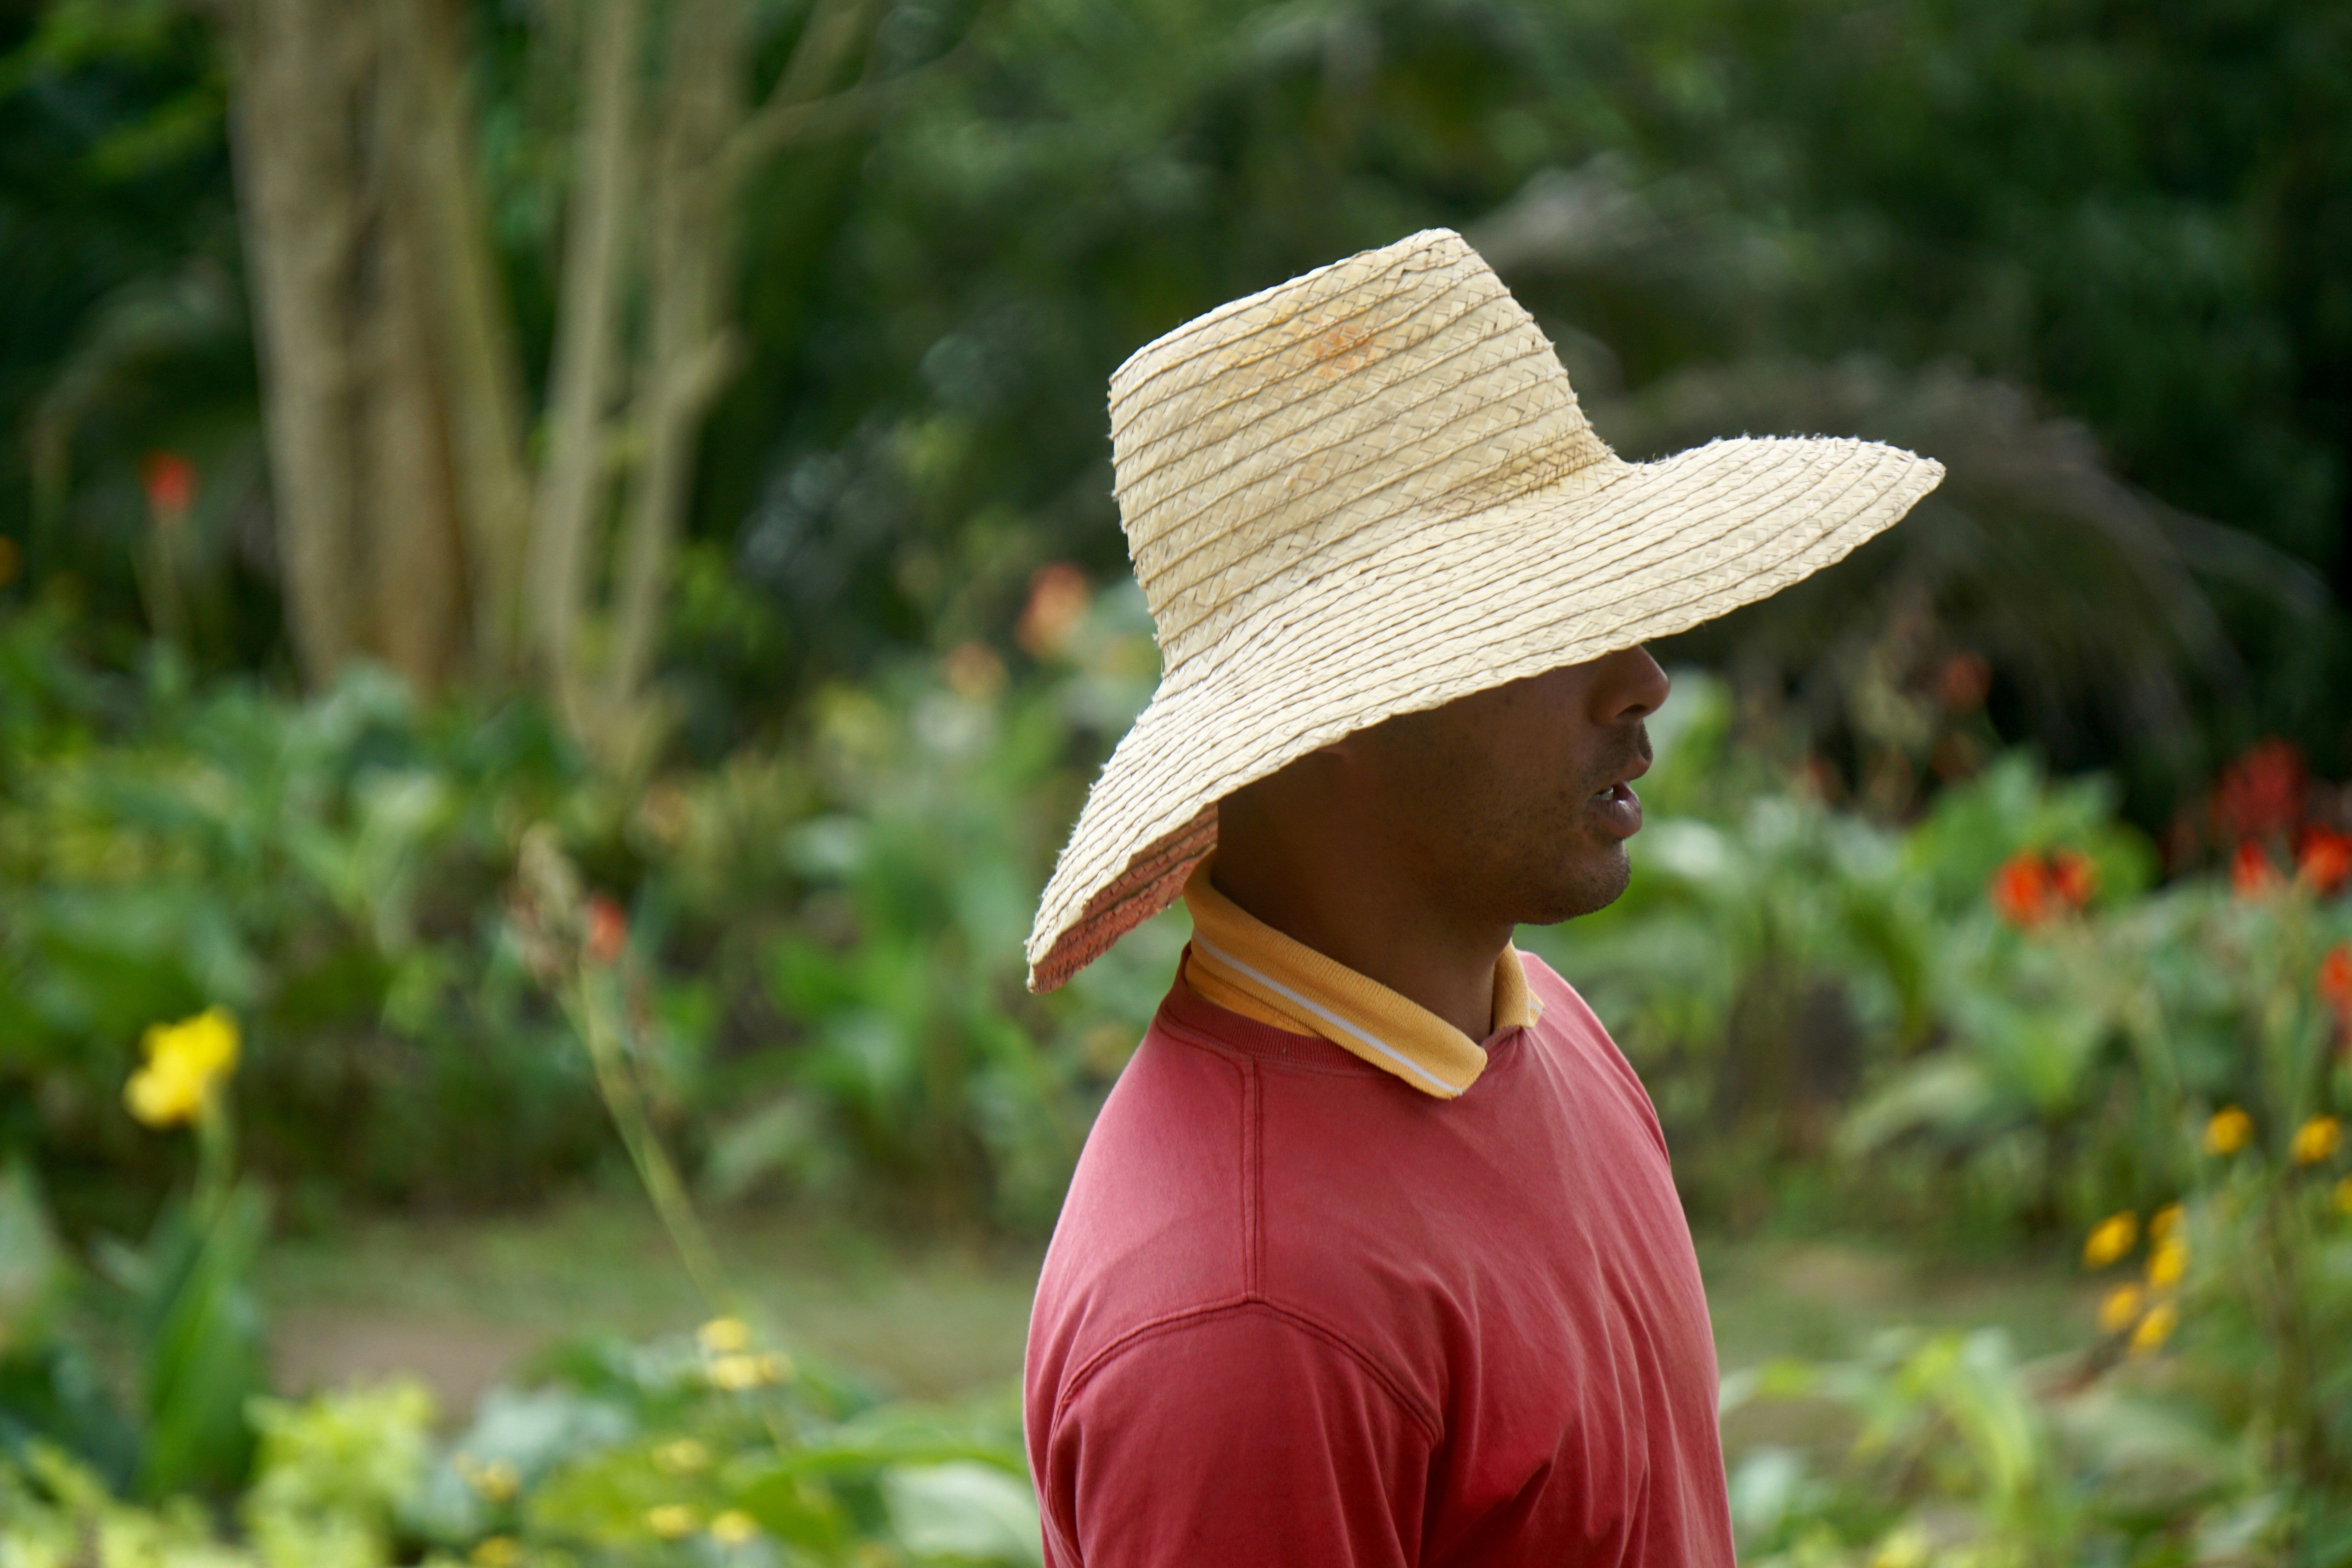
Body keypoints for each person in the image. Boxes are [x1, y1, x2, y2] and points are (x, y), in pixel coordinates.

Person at [1020, 229, 1942, 1566]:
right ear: (1336, 711)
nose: (1642, 678)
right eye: (1544, 627)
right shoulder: (1250, 1312)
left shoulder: (1544, 1030)